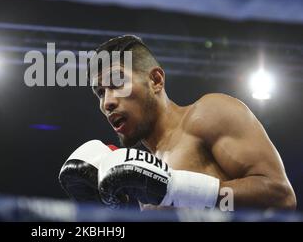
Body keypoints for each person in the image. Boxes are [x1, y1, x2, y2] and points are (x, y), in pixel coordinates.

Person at [59, 35, 296, 210]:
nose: (107, 102)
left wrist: (178, 188)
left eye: (117, 83)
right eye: (100, 92)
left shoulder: (208, 114)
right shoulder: (139, 178)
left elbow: (281, 197)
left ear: (155, 80)